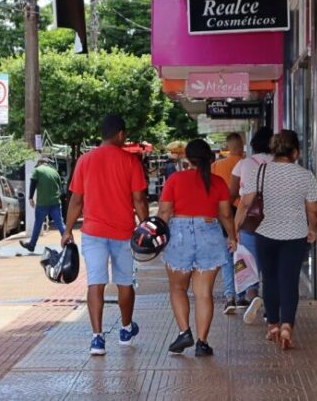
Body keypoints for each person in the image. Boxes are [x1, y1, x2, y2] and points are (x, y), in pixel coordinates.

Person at [62, 114, 149, 356]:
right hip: (123, 232)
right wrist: (146, 228)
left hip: (93, 233)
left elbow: (76, 200)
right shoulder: (130, 162)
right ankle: (125, 329)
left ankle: (97, 339)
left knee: (95, 283)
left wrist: (67, 230)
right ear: (120, 134)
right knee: (124, 283)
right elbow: (140, 200)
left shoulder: (84, 160)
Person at [235, 130, 317, 350]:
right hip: (295, 235)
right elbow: (313, 209)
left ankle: (272, 324)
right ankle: (287, 326)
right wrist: (313, 228)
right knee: (289, 281)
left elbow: (245, 203)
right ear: (296, 152)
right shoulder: (305, 175)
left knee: (270, 279)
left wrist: (235, 229)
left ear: (274, 150)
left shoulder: (260, 172)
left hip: (265, 233)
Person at [158, 139, 237, 356]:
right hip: (210, 232)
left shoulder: (175, 180)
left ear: (187, 158)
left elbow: (164, 212)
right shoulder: (218, 182)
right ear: (210, 159)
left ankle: (185, 332)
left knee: (177, 288)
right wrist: (232, 236)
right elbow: (226, 214)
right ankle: (202, 342)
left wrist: (156, 235)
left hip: (179, 234)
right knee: (204, 294)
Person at [230, 127, 273, 323]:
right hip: (275, 220)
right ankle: (271, 309)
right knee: (272, 266)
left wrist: (234, 227)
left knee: (248, 262)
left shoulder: (244, 164)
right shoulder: (280, 164)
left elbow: (238, 197)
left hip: (250, 219)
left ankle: (252, 294)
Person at [211, 132, 244, 314]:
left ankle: (230, 295)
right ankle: (244, 293)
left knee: (227, 258)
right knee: (243, 256)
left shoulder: (216, 166)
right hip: (244, 215)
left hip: (224, 215)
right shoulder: (248, 164)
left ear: (227, 146)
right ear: (242, 144)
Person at [20, 157, 65, 252]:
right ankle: (68, 243)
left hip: (42, 203)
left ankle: (32, 245)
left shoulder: (37, 170)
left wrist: (30, 197)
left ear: (40, 163)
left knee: (38, 224)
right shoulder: (54, 172)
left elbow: (33, 183)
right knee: (60, 223)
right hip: (55, 202)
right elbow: (60, 187)